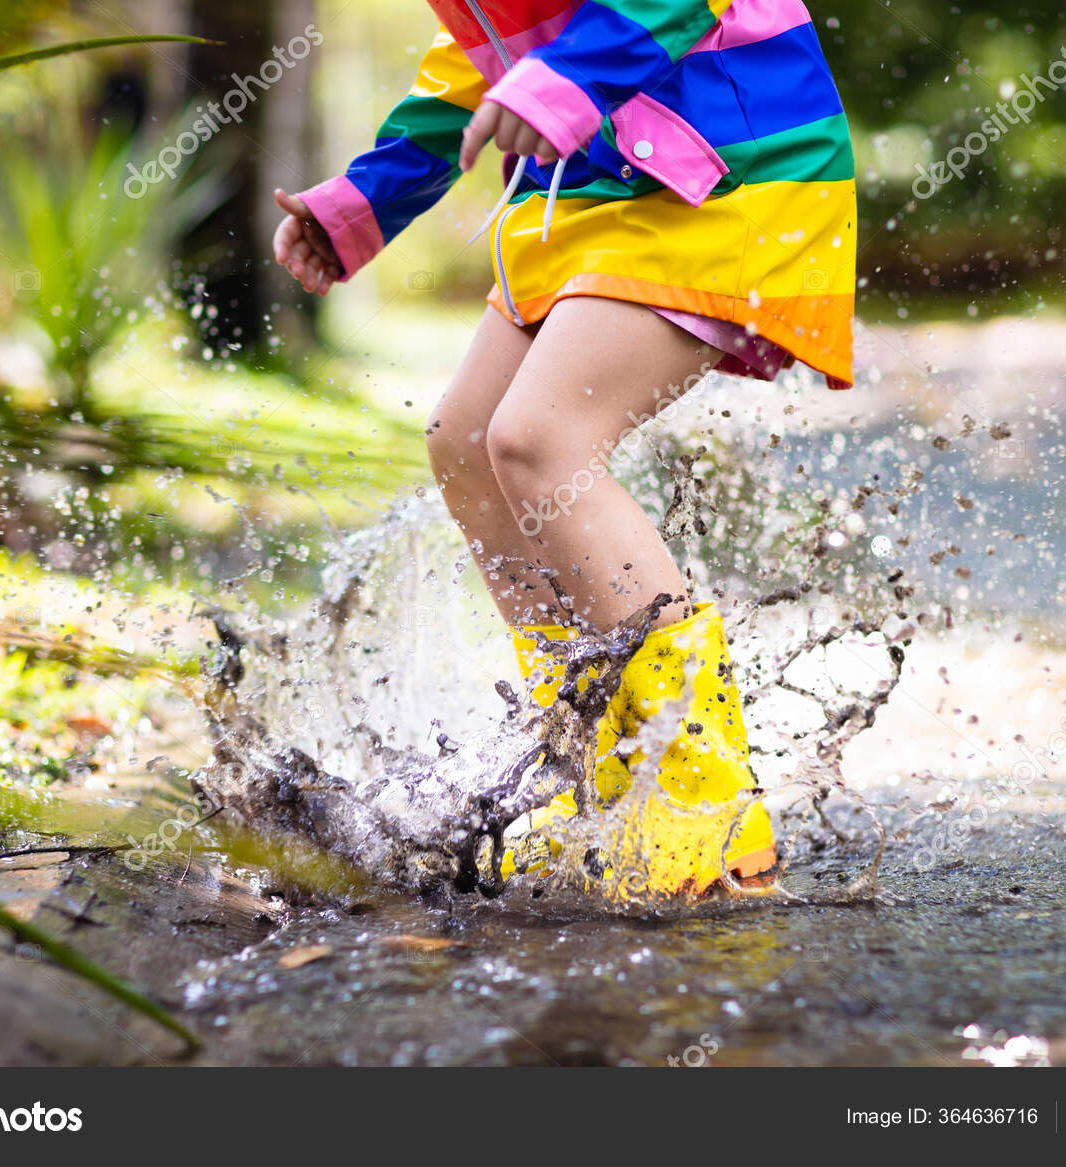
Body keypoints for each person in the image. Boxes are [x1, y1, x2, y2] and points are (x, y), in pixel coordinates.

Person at [272, 0, 855, 898]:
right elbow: (478, 54)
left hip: (730, 170)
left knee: (539, 439)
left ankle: (708, 799)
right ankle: (597, 759)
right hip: (595, 190)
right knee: (465, 441)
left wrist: (564, 82)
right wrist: (360, 205)